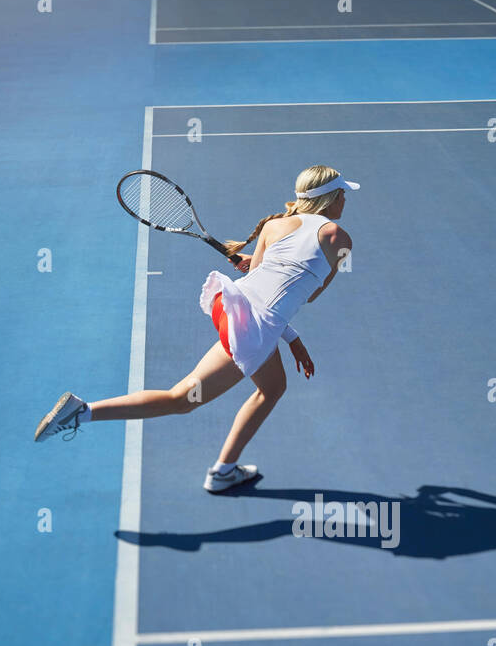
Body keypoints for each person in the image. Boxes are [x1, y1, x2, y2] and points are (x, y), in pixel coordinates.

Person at [34, 164, 356, 491]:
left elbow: (261, 283)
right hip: (252, 329)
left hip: (230, 306)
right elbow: (308, 294)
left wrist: (292, 338)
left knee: (272, 388)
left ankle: (224, 469)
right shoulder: (339, 239)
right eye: (342, 193)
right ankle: (81, 412)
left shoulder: (275, 226)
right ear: (329, 197)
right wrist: (289, 328)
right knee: (182, 399)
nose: (345, 199)